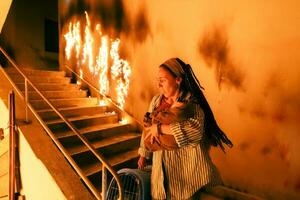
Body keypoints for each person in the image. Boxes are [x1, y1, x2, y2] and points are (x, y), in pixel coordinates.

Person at [138, 58, 233, 199]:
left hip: (186, 177)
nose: (158, 85)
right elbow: (147, 129)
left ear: (178, 80)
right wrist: (143, 153)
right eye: (157, 80)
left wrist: (159, 128)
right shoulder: (156, 101)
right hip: (160, 175)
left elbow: (194, 132)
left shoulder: (191, 104)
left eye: (163, 80)